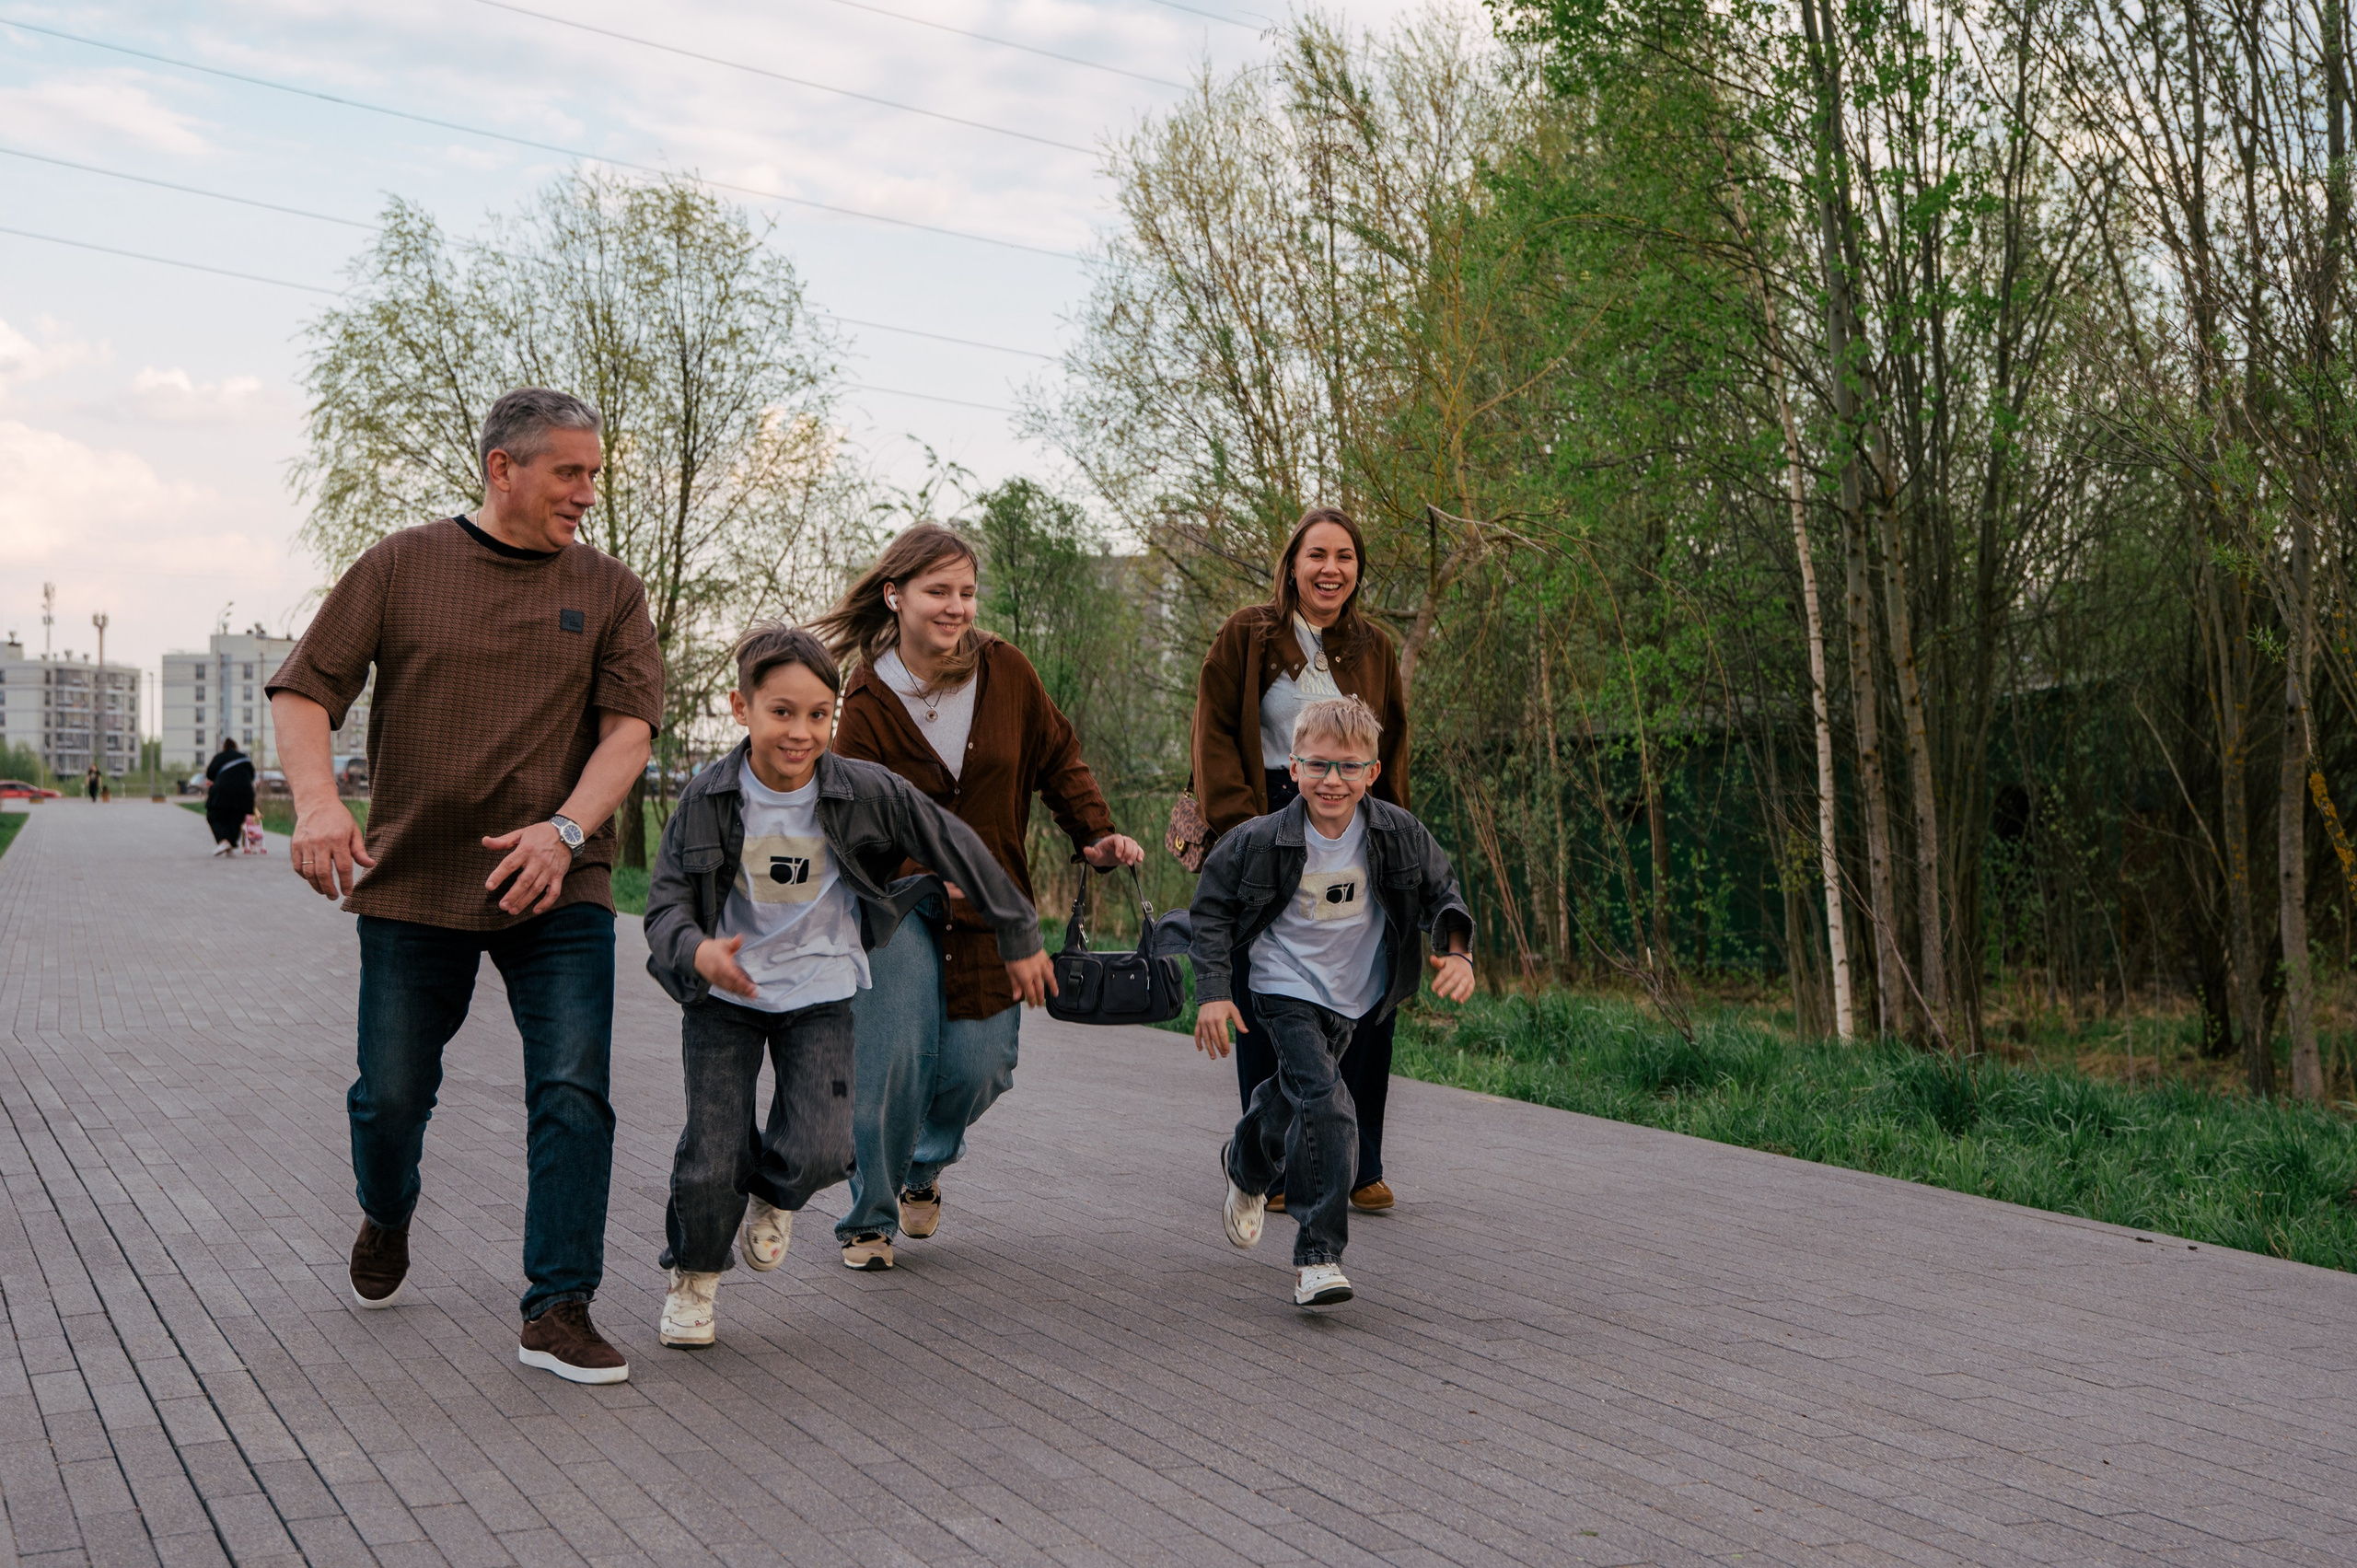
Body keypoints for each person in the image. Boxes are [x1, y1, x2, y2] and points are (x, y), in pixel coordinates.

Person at [268, 387, 662, 1385]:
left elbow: (629, 733)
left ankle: (557, 1306)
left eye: (594, 471)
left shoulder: (611, 589)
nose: (588, 490)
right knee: (392, 1094)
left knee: (573, 1087)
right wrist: (318, 803)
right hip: (416, 881)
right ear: (503, 467)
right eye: (570, 470)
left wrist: (568, 829)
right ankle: (388, 1210)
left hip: (557, 881)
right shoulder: (402, 564)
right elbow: (306, 685)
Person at [641, 625, 1044, 1347]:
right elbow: (665, 903)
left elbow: (953, 839)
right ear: (742, 707)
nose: (801, 732)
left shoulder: (863, 790)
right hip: (724, 999)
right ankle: (694, 1279)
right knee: (712, 1153)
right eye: (782, 712)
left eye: (818, 714)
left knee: (828, 1144)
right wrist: (696, 951)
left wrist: (1017, 932)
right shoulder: (707, 798)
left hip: (820, 990)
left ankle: (774, 1192)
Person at [810, 523, 1144, 1271]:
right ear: (896, 596)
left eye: (966, 591)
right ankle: (868, 1215)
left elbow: (1057, 754)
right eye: (939, 591)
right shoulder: (864, 696)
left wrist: (1094, 833)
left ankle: (922, 1165)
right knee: (893, 1058)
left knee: (983, 1063)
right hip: (899, 905)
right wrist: (919, 865)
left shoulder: (1006, 670)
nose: (957, 606)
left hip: (993, 906)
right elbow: (853, 815)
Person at [1189, 695, 1473, 1307]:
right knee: (1330, 1106)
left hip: (1353, 999)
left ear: (1372, 771)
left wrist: (1456, 949)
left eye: (1349, 767)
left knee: (1292, 1097)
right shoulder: (1258, 840)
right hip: (1281, 987)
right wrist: (1213, 992)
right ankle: (1318, 1256)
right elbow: (1210, 907)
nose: (1332, 780)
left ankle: (1245, 1166)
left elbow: (1441, 891)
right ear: (1292, 767)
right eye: (1318, 765)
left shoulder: (1398, 834)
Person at [1190, 506, 1412, 1215]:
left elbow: (1394, 745)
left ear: (1357, 569)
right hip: (1274, 819)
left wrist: (1397, 838)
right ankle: (1276, 1164)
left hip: (1357, 820)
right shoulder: (1248, 634)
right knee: (1272, 992)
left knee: (1363, 988)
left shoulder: (1374, 648)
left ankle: (1360, 1162)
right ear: (1292, 563)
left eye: (1345, 556)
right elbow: (1217, 731)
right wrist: (1242, 832)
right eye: (1318, 553)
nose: (1331, 568)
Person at [202, 738, 255, 857]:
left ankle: (224, 841)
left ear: (224, 747)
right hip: (244, 791)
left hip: (222, 791)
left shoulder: (219, 757)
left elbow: (210, 774)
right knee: (236, 817)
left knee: (213, 816)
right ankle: (228, 843)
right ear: (236, 747)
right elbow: (252, 775)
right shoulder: (244, 758)